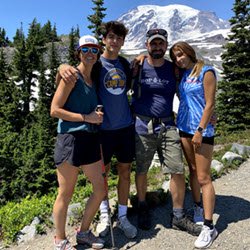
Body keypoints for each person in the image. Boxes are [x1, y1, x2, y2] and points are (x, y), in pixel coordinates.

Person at [56, 21, 137, 239]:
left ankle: (122, 216)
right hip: (103, 130)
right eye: (111, 37)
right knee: (102, 176)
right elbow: (73, 75)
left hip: (125, 127)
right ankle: (104, 216)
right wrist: (61, 68)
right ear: (104, 40)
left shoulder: (125, 64)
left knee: (124, 172)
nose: (115, 42)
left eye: (119, 38)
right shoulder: (96, 64)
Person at [131, 28, 202, 235]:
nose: (157, 47)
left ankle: (178, 216)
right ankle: (142, 205)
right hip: (142, 125)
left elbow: (188, 93)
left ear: (166, 45)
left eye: (161, 43)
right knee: (142, 169)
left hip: (168, 124)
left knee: (177, 169)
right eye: (153, 44)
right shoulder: (137, 66)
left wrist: (208, 113)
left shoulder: (173, 69)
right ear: (147, 45)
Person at [51, 35, 106, 250]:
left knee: (100, 190)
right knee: (65, 193)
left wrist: (94, 117)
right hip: (70, 139)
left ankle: (83, 232)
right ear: (78, 53)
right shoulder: (71, 77)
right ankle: (60, 240)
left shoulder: (94, 77)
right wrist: (87, 118)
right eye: (85, 50)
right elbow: (54, 110)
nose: (90, 53)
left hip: (90, 138)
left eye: (94, 49)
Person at [169, 41, 218, 248]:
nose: (179, 59)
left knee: (204, 177)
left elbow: (210, 103)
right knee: (193, 169)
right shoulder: (183, 74)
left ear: (189, 52)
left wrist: (200, 129)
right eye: (175, 57)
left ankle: (209, 227)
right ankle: (197, 206)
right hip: (184, 128)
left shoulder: (206, 72)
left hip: (201, 131)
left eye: (181, 55)